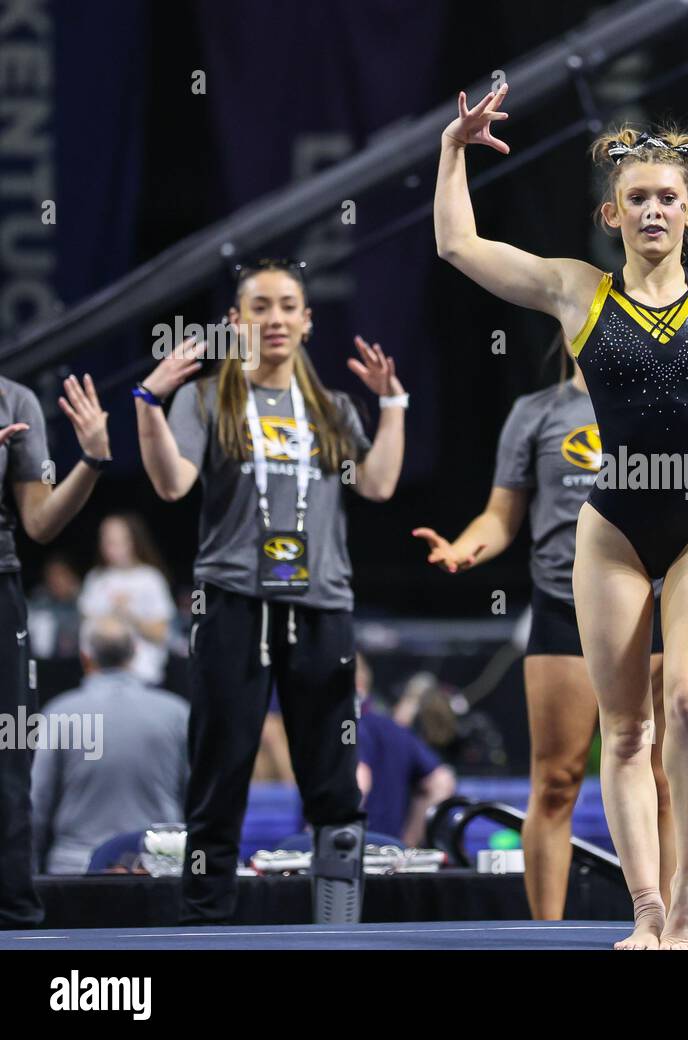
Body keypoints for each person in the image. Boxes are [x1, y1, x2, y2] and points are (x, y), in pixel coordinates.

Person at [435, 83, 688, 947]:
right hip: (614, 532)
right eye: (638, 199)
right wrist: (453, 151)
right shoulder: (576, 291)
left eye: (668, 197)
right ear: (612, 214)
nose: (654, 209)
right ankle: (647, 912)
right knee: (623, 732)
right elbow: (456, 243)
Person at [413, 339, 688, 919]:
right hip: (565, 604)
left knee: (665, 774)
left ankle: (666, 919)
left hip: (660, 599)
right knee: (557, 779)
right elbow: (501, 513)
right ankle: (548, 931)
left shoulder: (660, 401)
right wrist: (466, 549)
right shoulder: (536, 412)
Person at [133, 259, 406, 924]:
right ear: (236, 322)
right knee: (220, 777)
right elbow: (172, 484)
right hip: (232, 604)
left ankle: (338, 932)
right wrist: (149, 402)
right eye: (260, 306)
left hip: (322, 607)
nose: (276, 318)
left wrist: (393, 404)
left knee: (334, 784)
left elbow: (375, 485)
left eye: (288, 305)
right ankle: (206, 927)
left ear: (307, 321)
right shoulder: (205, 398)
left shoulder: (333, 408)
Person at [0, 370, 111, 927]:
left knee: (8, 756)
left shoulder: (14, 401)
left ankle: (13, 914)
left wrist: (90, 462)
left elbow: (40, 522)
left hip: (2, 590)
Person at [30, 616, 188, 874]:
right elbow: (198, 797)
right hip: (156, 870)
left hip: (75, 870)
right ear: (135, 653)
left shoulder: (60, 713)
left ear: (85, 657)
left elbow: (36, 801)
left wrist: (29, 873)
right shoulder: (177, 713)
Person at [355, 652, 455, 847]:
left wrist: (321, 834)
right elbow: (441, 782)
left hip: (347, 854)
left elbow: (358, 779)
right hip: (388, 857)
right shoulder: (395, 729)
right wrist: (407, 845)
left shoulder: (347, 725)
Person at [77, 513, 175, 685]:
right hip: (99, 677)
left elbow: (161, 633)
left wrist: (127, 615)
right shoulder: (96, 578)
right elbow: (86, 628)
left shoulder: (150, 578)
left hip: (142, 677)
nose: (111, 546)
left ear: (134, 541)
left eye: (118, 540)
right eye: (106, 540)